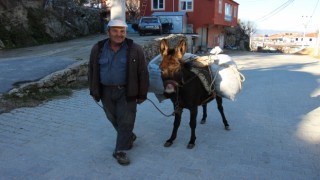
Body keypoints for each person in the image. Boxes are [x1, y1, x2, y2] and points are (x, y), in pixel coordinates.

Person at [88, 19, 149, 166]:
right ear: (108, 32)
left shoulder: (135, 49)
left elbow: (143, 73)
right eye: (115, 31)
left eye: (122, 31)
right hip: (105, 91)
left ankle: (120, 150)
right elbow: (92, 70)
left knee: (126, 121)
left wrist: (142, 94)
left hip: (127, 92)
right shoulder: (98, 48)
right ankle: (129, 136)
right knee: (112, 118)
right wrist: (93, 90)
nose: (119, 34)